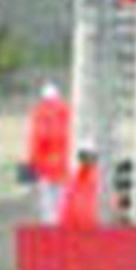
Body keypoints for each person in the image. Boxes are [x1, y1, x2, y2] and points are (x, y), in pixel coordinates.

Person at [26, 83, 72, 226]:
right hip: (63, 158)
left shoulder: (39, 113)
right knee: (61, 192)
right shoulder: (67, 111)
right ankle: (61, 219)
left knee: (46, 194)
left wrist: (32, 161)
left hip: (44, 159)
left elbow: (36, 138)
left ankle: (49, 222)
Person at [61, 147, 101, 229]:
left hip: (83, 217)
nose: (91, 162)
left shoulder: (92, 174)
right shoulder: (78, 174)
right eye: (87, 158)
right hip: (74, 218)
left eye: (93, 158)